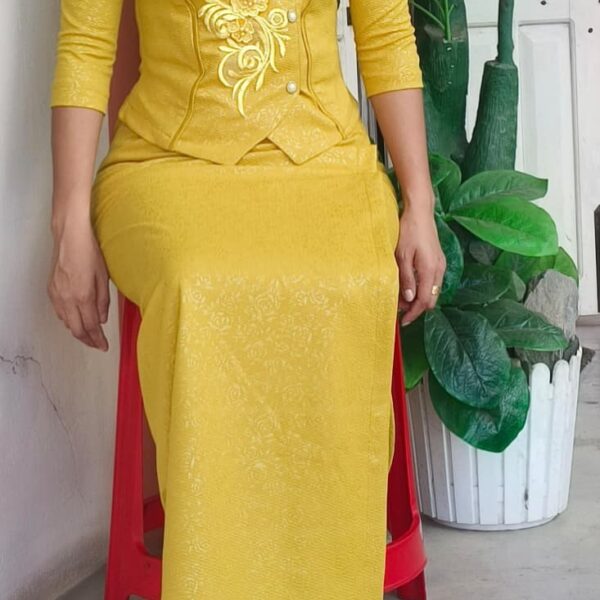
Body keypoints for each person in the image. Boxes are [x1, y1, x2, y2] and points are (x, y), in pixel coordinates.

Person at [47, 0, 446, 597]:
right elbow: (86, 46)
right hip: (167, 161)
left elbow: (386, 33)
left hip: (326, 161)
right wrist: (69, 222)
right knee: (197, 282)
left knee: (349, 278)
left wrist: (420, 203)